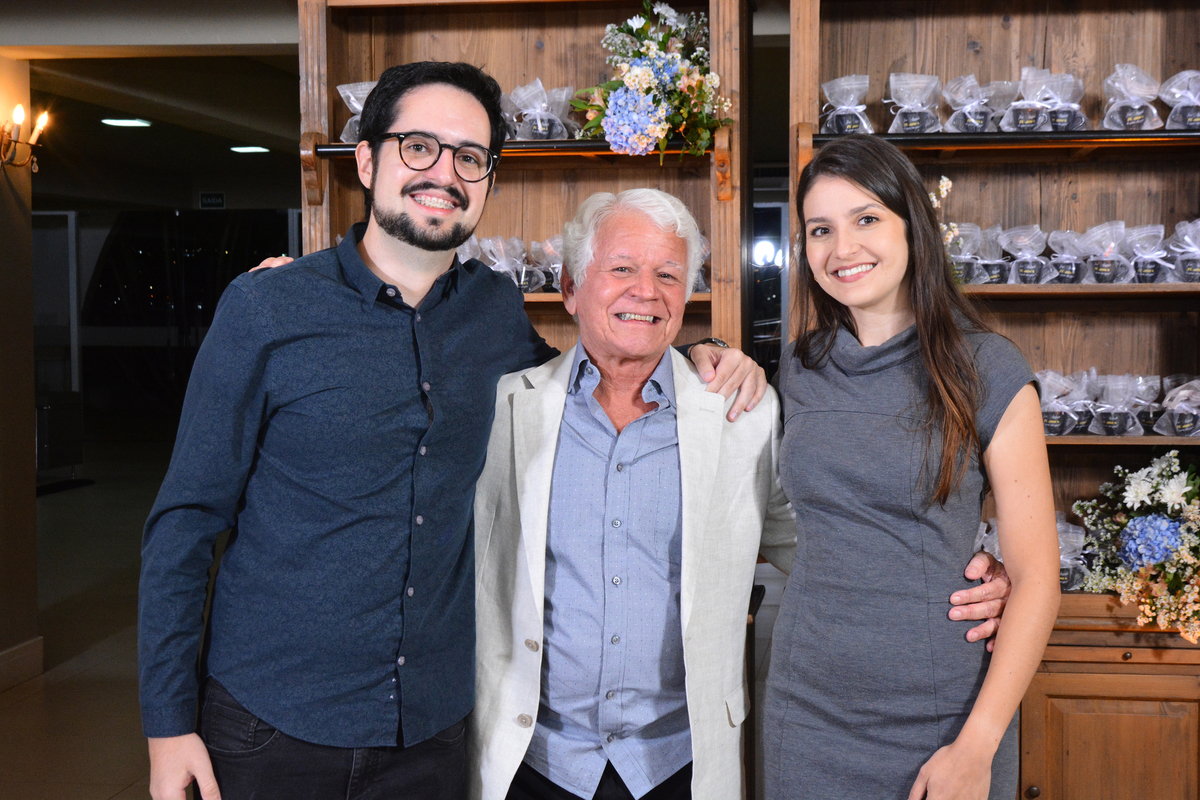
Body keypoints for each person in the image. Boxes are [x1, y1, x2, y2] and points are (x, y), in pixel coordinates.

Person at [137, 62, 764, 800]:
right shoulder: (267, 309)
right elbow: (184, 523)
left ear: (487, 180)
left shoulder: (494, 311)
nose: (444, 173)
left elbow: (591, 369)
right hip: (272, 725)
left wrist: (698, 354)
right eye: (418, 147)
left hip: (433, 734)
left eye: (470, 156)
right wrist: (167, 724)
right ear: (366, 160)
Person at [468, 188, 1013, 800]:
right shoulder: (502, 409)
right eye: (621, 268)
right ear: (570, 287)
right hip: (533, 762)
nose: (646, 291)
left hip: (680, 764)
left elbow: (824, 542)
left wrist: (954, 575)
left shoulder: (742, 415)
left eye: (668, 275)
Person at [762, 134, 1061, 800]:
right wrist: (708, 349)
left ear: (912, 226)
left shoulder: (988, 369)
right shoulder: (799, 367)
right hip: (804, 710)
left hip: (943, 716)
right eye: (820, 229)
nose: (843, 248)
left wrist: (976, 746)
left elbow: (1038, 578)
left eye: (866, 218)